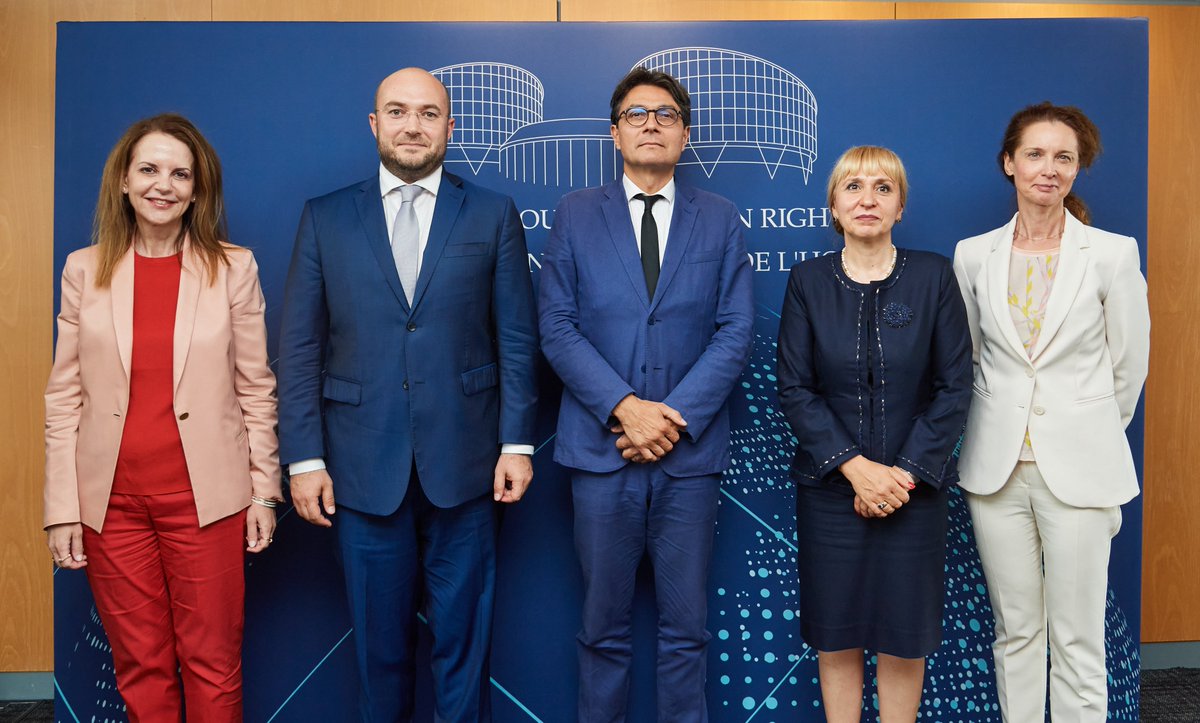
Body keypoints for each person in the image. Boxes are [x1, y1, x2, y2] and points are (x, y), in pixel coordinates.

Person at [277, 67, 538, 721]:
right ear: (375, 125)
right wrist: (304, 458)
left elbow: (515, 339)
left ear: (450, 127)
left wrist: (517, 442)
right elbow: (301, 350)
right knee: (380, 655)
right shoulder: (325, 218)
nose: (413, 125)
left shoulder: (491, 213)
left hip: (469, 468)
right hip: (361, 471)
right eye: (398, 111)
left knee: (463, 653)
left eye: (428, 113)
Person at [43, 113, 281, 722]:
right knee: (141, 666)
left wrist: (264, 493)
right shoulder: (82, 269)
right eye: (148, 169)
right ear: (123, 180)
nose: (163, 185)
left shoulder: (234, 268)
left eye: (181, 174)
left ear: (198, 190)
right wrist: (62, 507)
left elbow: (256, 387)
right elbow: (64, 396)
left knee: (212, 664)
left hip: (207, 502)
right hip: (111, 508)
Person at [538, 67, 754, 721]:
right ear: (614, 132)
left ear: (685, 134)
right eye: (637, 114)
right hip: (602, 454)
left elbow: (736, 329)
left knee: (686, 632)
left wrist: (671, 419)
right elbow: (556, 324)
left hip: (687, 459)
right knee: (602, 630)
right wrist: (626, 409)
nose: (652, 124)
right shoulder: (577, 214)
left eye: (665, 114)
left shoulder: (718, 219)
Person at [952, 102, 1150, 722]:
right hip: (996, 472)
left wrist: (1081, 430)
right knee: (1015, 631)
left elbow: (1128, 369)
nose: (1048, 168)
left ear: (1077, 168)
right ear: (1010, 163)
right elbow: (974, 359)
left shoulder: (1113, 254)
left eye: (1063, 157)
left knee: (1078, 635)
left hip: (1082, 472)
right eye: (1034, 154)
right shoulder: (972, 255)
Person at [776, 146, 972, 723]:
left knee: (903, 635)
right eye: (854, 187)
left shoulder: (934, 274)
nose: (868, 199)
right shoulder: (808, 280)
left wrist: (903, 476)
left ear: (901, 206)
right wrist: (856, 470)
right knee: (836, 634)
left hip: (915, 492)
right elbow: (795, 389)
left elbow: (955, 385)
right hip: (832, 491)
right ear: (834, 205)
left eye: (883, 188)